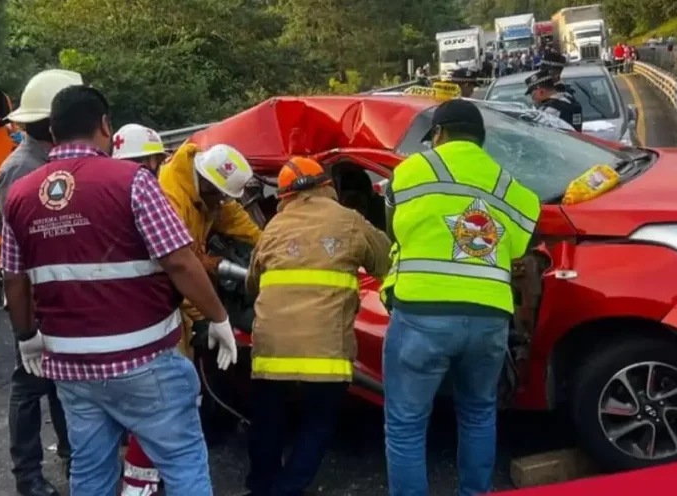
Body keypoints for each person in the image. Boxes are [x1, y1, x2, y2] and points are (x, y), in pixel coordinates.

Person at [1, 85, 237, 496]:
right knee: (181, 459)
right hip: (143, 358)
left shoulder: (20, 195)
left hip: (72, 367)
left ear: (52, 132)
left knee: (91, 473)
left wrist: (27, 337)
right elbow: (180, 261)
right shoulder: (133, 182)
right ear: (105, 125)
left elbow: (14, 279)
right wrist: (219, 317)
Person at [381, 99, 542, 496]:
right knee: (478, 413)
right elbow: (523, 246)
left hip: (422, 313)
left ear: (438, 134)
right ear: (481, 140)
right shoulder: (511, 186)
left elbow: (393, 229)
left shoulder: (411, 171)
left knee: (406, 423)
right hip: (489, 317)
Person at [245, 157, 391, 496]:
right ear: (326, 186)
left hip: (272, 354)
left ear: (283, 197)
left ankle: (262, 486)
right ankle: (288, 488)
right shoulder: (350, 221)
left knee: (267, 422)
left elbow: (252, 285)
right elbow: (384, 261)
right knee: (318, 422)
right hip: (326, 356)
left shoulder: (272, 230)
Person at [0, 69, 81, 496]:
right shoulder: (21, 169)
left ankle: (74, 455)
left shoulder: (45, 162)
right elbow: (18, 253)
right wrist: (27, 325)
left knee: (61, 380)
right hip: (30, 295)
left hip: (50, 292)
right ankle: (27, 477)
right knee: (29, 385)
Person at [158, 141, 261, 360]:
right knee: (181, 358)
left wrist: (267, 245)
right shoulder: (171, 198)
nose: (222, 202)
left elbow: (235, 219)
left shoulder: (209, 190)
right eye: (220, 196)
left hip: (190, 273)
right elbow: (179, 267)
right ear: (207, 185)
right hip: (166, 290)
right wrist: (207, 317)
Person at [111, 122, 170, 496]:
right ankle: (140, 486)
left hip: (103, 328)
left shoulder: (98, 194)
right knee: (152, 415)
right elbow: (175, 261)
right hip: (142, 325)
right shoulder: (145, 194)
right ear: (148, 162)